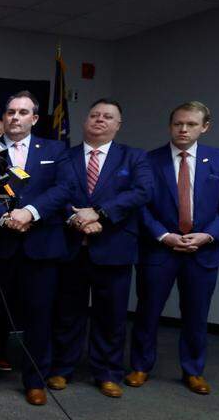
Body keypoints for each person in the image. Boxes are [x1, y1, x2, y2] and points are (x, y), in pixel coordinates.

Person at [0, 91, 72, 407]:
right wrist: (5, 217)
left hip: (41, 245)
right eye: (10, 111)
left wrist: (30, 213)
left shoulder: (55, 150)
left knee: (39, 316)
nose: (15, 117)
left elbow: (64, 189)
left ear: (34, 119)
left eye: (23, 112)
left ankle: (35, 381)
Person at [128, 101, 219, 395]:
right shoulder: (149, 160)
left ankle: (193, 370)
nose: (183, 129)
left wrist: (208, 236)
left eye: (191, 124)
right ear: (170, 125)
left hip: (202, 251)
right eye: (178, 123)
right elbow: (140, 206)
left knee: (196, 314)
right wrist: (163, 235)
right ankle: (140, 366)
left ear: (205, 127)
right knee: (148, 311)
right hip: (159, 249)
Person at [48, 99, 151, 398]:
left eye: (108, 116)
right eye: (94, 115)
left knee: (111, 315)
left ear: (118, 125)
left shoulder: (134, 157)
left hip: (114, 247)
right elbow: (55, 193)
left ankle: (107, 373)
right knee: (67, 313)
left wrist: (99, 214)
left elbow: (143, 192)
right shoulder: (65, 156)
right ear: (85, 121)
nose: (100, 120)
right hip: (71, 247)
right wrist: (77, 219)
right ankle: (61, 369)